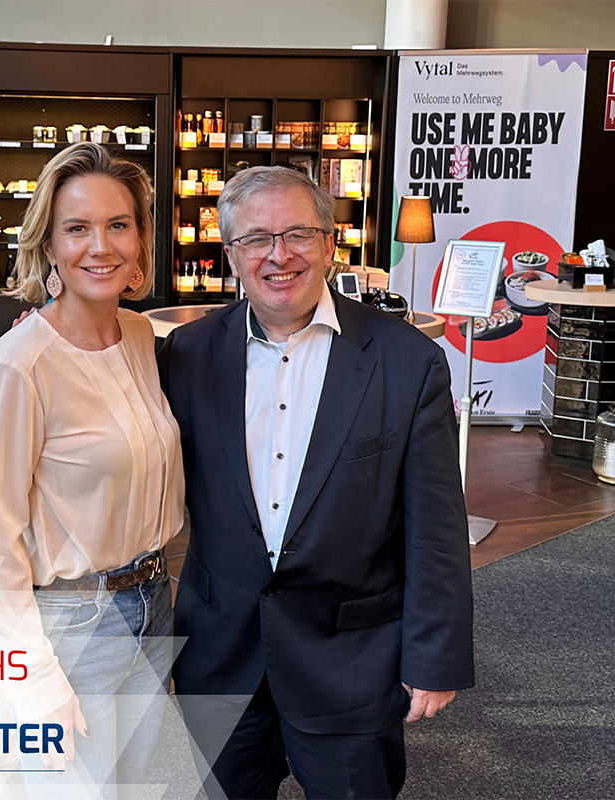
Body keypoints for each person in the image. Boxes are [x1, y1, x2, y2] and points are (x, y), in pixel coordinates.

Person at [158, 166, 474, 800]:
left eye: (298, 234)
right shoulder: (185, 355)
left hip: (350, 661)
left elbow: (436, 527)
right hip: (221, 659)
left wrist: (435, 656)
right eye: (256, 238)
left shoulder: (408, 361)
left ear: (331, 244)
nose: (279, 255)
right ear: (231, 255)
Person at [0, 142, 184, 796]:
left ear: (140, 241)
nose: (101, 246)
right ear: (49, 245)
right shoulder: (19, 364)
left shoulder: (141, 336)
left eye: (118, 225)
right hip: (71, 625)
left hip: (152, 604)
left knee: (138, 785)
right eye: (77, 228)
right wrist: (33, 677)